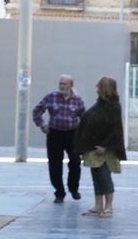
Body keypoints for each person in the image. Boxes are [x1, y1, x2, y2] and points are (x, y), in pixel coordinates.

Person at [75, 76, 128, 217]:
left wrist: (105, 146)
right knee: (96, 176)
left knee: (104, 176)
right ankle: (98, 205)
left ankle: (108, 206)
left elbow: (115, 129)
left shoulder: (113, 106)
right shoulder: (100, 104)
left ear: (105, 89)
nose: (97, 89)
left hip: (104, 149)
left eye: (99, 87)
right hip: (93, 148)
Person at [32, 74, 86, 203]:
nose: (61, 86)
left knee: (75, 162)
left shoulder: (77, 100)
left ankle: (73, 188)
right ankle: (59, 192)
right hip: (54, 134)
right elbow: (37, 111)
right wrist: (42, 125)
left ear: (71, 85)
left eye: (64, 84)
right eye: (60, 83)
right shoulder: (51, 96)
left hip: (72, 134)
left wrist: (84, 135)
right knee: (55, 165)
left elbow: (84, 118)